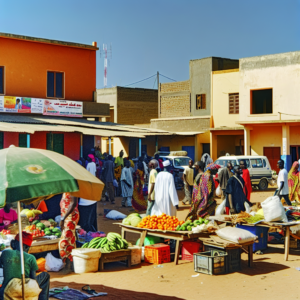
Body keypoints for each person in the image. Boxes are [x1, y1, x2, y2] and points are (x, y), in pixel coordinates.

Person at [0, 232, 50, 300]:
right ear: (27, 247)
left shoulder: (5, 253)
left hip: (6, 290)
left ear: (12, 243)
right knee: (45, 275)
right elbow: (33, 279)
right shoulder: (31, 257)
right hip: (23, 289)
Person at [59, 193, 79, 273]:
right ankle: (71, 265)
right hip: (66, 216)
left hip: (70, 216)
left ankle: (69, 265)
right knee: (70, 240)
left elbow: (73, 204)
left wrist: (63, 218)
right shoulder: (66, 189)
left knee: (65, 241)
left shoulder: (73, 188)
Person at [78, 156, 98, 232]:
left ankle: (89, 235)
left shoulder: (80, 175)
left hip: (85, 202)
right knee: (91, 221)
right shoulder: (86, 171)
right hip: (91, 200)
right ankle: (93, 233)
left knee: (85, 223)